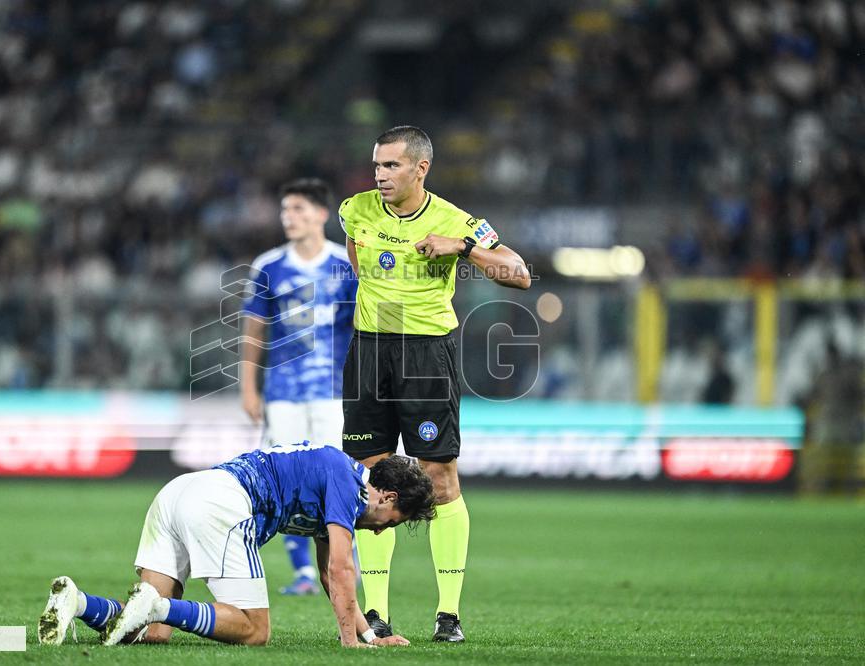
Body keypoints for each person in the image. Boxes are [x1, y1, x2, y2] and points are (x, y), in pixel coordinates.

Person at [339, 125, 531, 642]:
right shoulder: (353, 210)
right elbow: (360, 265)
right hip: (369, 351)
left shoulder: (458, 220)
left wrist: (463, 247)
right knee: (369, 479)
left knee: (439, 476)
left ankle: (449, 615)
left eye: (392, 166)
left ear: (421, 168)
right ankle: (375, 614)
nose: (380, 175)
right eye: (377, 165)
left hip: (426, 353)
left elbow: (519, 274)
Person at [37, 443, 435, 648]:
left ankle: (79, 603)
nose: (382, 532)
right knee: (254, 630)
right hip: (223, 501)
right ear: (387, 497)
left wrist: (368, 636)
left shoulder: (336, 483)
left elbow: (331, 576)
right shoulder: (348, 487)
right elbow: (343, 569)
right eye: (392, 523)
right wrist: (352, 645)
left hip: (180, 491)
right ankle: (155, 603)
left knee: (151, 634)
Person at [239, 178, 357, 595]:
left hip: (333, 391)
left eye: (299, 210)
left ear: (322, 215)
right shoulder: (268, 265)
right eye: (285, 210)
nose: (289, 217)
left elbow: (363, 326)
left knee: (337, 476)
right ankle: (303, 573)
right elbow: (254, 332)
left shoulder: (346, 264)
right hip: (283, 391)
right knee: (283, 478)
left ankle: (343, 561)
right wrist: (248, 388)